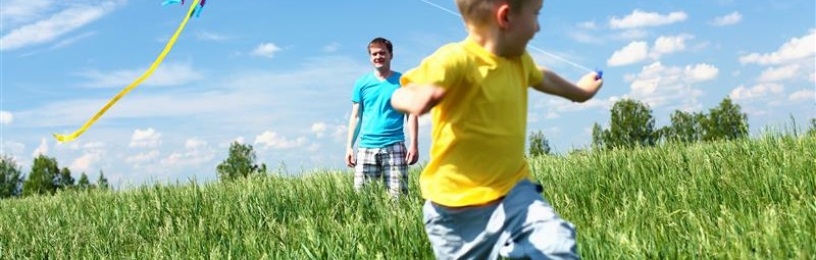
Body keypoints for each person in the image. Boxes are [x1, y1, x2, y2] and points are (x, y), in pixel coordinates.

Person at [390, 0, 603, 258]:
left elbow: (543, 76)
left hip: (515, 194)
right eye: (535, 15)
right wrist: (415, 100)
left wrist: (581, 92)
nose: (538, 27)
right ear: (505, 18)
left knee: (555, 242)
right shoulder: (455, 59)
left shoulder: (519, 61)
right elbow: (402, 93)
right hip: (456, 213)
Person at [345, 37, 419, 198]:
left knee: (398, 199)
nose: (378, 57)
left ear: (391, 55)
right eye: (374, 54)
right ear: (370, 58)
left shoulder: (404, 82)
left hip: (395, 146)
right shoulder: (361, 83)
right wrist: (350, 147)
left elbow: (411, 114)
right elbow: (356, 116)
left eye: (382, 53)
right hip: (366, 148)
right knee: (362, 200)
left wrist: (414, 144)